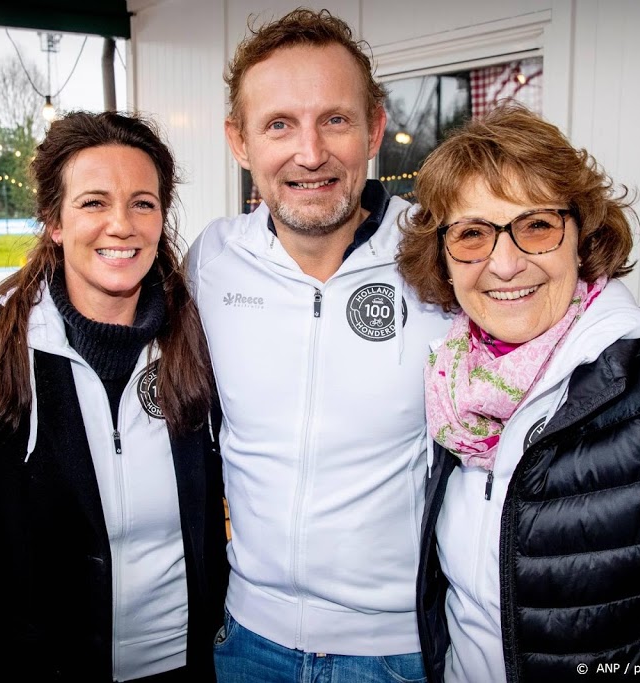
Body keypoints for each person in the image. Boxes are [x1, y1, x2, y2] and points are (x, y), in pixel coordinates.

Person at [400, 103, 640, 682]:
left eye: (537, 226)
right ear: (443, 257)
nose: (505, 264)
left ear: (582, 237)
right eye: (472, 234)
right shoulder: (450, 389)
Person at [0, 111, 229, 683]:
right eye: (93, 202)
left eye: (142, 203)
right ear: (54, 222)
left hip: (184, 666)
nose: (121, 225)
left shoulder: (198, 339)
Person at [186, 9, 451, 682]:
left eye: (335, 119)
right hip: (245, 642)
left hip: (397, 653)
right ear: (239, 140)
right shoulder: (212, 262)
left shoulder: (440, 257)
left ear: (375, 130)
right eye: (279, 124)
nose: (310, 153)